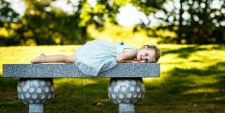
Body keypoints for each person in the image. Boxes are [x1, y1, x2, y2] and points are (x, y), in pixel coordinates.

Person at [30, 40, 160, 76]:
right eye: (146, 54)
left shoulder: (132, 49)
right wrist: (132, 62)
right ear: (144, 47)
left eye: (147, 61)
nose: (144, 59)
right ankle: (44, 58)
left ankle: (45, 58)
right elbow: (118, 59)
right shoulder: (132, 52)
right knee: (70, 59)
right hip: (99, 53)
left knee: (69, 59)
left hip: (99, 49)